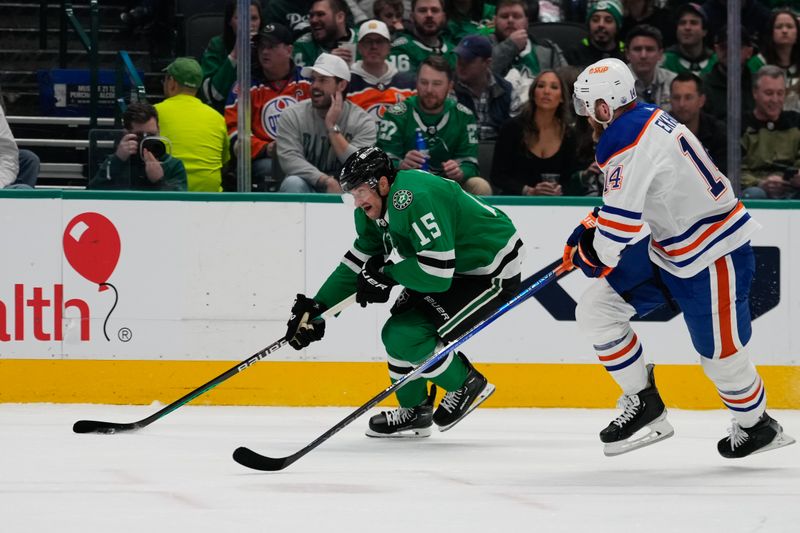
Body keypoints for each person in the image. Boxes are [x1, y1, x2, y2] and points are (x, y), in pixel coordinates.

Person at [567, 57, 795, 458]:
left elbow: (616, 233)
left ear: (604, 106)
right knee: (596, 310)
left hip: (713, 254)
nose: (587, 115)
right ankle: (643, 402)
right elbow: (635, 200)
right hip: (670, 248)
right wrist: (595, 227)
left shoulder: (623, 138)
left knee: (722, 360)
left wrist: (594, 250)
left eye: (589, 106)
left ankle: (757, 426)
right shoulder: (645, 118)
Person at [283, 146, 525, 437]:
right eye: (352, 193)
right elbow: (356, 262)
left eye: (360, 190)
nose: (357, 200)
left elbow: (436, 274)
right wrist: (317, 308)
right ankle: (415, 410)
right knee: (397, 331)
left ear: (383, 184)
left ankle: (465, 383)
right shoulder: (371, 210)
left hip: (489, 269)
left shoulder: (413, 198)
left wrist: (388, 275)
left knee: (409, 335)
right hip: (453, 266)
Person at [377, 55, 491, 195]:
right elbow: (380, 163)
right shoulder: (396, 114)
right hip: (406, 185)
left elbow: (471, 164)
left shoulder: (463, 116)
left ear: (450, 86)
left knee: (480, 186)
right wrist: (400, 165)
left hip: (450, 186)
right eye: (424, 82)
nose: (429, 89)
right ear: (416, 83)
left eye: (437, 84)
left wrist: (460, 171)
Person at [224, 23, 311, 191]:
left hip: (304, 156)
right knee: (270, 169)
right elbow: (234, 133)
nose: (264, 52)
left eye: (271, 47)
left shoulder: (309, 82)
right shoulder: (244, 86)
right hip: (265, 159)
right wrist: (266, 148)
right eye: (262, 47)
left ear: (289, 50)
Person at [275, 53, 377, 193]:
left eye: (322, 80)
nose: (314, 86)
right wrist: (325, 180)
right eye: (313, 80)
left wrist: (332, 127)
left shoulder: (362, 122)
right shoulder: (292, 115)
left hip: (347, 191)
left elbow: (359, 166)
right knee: (293, 182)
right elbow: (290, 160)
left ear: (341, 85)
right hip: (308, 184)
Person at [490, 70, 582, 195]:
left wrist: (560, 190)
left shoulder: (569, 134)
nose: (546, 91)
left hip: (556, 205)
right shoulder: (511, 128)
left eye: (554, 87)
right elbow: (497, 176)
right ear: (533, 94)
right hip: (515, 202)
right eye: (541, 86)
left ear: (562, 98)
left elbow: (571, 179)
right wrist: (528, 191)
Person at [155, 57, 230, 192]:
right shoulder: (217, 117)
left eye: (165, 79)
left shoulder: (154, 113)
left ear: (172, 83)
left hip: (168, 195)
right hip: (209, 197)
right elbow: (224, 162)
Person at [88, 102, 187, 191]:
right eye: (139, 135)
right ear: (126, 133)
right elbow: (91, 194)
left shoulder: (173, 165)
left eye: (151, 135)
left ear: (158, 130)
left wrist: (159, 181)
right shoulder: (115, 162)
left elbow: (180, 204)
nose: (146, 140)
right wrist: (117, 160)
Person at [490, 0, 566, 112]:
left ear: (526, 21)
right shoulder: (484, 45)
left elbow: (566, 83)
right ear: (495, 20)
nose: (510, 20)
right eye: (504, 16)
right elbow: (479, 77)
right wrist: (510, 46)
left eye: (516, 16)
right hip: (497, 117)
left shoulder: (549, 49)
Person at [740, 65, 800, 199]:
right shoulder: (740, 125)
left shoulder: (796, 122)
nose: (775, 100)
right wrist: (760, 183)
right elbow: (733, 169)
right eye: (769, 93)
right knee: (755, 194)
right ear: (755, 93)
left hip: (791, 187)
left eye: (780, 93)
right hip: (754, 188)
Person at [199, 0, 263, 114]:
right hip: (224, 112)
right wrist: (235, 54)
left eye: (254, 18)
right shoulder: (217, 45)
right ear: (229, 21)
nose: (248, 24)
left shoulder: (268, 47)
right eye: (241, 18)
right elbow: (213, 94)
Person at [347, 19, 416, 120]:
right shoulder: (346, 83)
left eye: (379, 41)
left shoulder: (409, 84)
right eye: (368, 41)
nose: (374, 46)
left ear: (389, 47)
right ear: (359, 47)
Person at [453, 34, 513, 140]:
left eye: (468, 60)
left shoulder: (506, 90)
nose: (461, 64)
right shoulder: (449, 88)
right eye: (459, 58)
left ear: (487, 63)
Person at [669, 72, 727, 174]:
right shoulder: (660, 130)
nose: (682, 104)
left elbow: (723, 174)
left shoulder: (717, 132)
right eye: (676, 98)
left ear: (701, 100)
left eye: (688, 97)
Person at [747, 8, 800, 112]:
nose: (784, 31)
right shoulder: (757, 64)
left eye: (789, 27)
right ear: (771, 32)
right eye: (779, 27)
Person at [702, 28, 756, 123]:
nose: (730, 52)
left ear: (749, 52)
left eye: (736, 47)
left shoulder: (758, 84)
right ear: (716, 50)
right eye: (724, 46)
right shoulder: (703, 85)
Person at [389, 0, 455, 75]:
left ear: (444, 17)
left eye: (435, 10)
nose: (429, 15)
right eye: (422, 10)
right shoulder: (400, 49)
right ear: (412, 17)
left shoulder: (453, 52)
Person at [625, 25, 676, 110]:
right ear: (627, 54)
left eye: (649, 49)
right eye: (637, 49)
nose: (643, 55)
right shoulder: (615, 82)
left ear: (660, 54)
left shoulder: (673, 82)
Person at [294, 0, 359, 67]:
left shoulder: (364, 39)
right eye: (311, 15)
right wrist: (326, 62)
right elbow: (300, 76)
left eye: (320, 14)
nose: (313, 20)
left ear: (340, 17)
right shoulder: (303, 45)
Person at [564, 0, 626, 68]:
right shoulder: (575, 53)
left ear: (617, 26)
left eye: (608, 20)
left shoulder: (626, 53)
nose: (601, 25)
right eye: (595, 20)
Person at [660, 3, 716, 77]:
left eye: (693, 23)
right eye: (682, 23)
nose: (687, 27)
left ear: (704, 31)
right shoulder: (664, 61)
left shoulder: (716, 62)